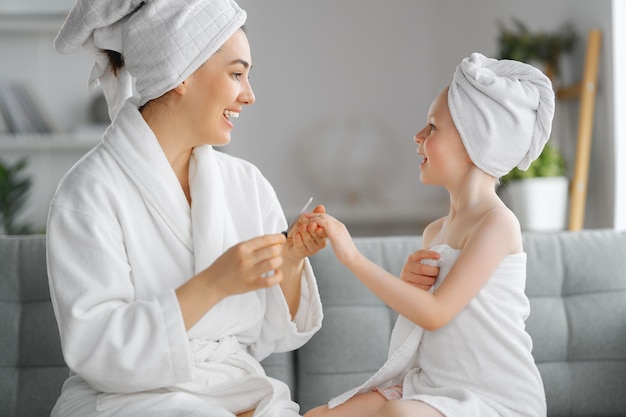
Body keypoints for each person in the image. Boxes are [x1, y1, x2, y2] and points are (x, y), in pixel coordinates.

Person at [47, 1, 330, 416]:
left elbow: (271, 337)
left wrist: (289, 262)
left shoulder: (246, 184)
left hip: (236, 388)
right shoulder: (88, 192)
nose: (249, 96)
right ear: (181, 73)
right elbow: (98, 350)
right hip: (130, 400)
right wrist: (213, 284)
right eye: (237, 74)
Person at [303, 52, 554, 417]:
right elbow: (426, 316)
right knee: (316, 416)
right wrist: (412, 287)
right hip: (432, 384)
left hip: (495, 395)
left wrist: (352, 257)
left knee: (398, 414)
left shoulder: (497, 223)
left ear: (474, 145)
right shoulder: (435, 231)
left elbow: (437, 314)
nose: (417, 136)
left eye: (433, 127)